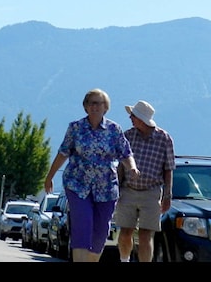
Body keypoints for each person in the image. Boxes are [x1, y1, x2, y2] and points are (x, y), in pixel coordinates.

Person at [44, 88, 139, 262]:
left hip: (106, 188)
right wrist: (49, 176)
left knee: (101, 231)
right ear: (86, 107)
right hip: (77, 185)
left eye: (99, 103)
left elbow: (126, 154)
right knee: (83, 225)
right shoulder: (75, 128)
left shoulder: (113, 129)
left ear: (106, 107)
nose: (95, 106)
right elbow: (63, 153)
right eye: (91, 103)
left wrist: (132, 168)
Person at [114, 99, 175, 262]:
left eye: (132, 116)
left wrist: (167, 195)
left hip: (152, 192)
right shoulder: (127, 136)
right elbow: (121, 165)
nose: (130, 119)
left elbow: (168, 169)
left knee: (145, 235)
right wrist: (117, 189)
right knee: (125, 231)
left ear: (141, 119)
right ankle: (124, 259)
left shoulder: (164, 139)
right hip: (128, 190)